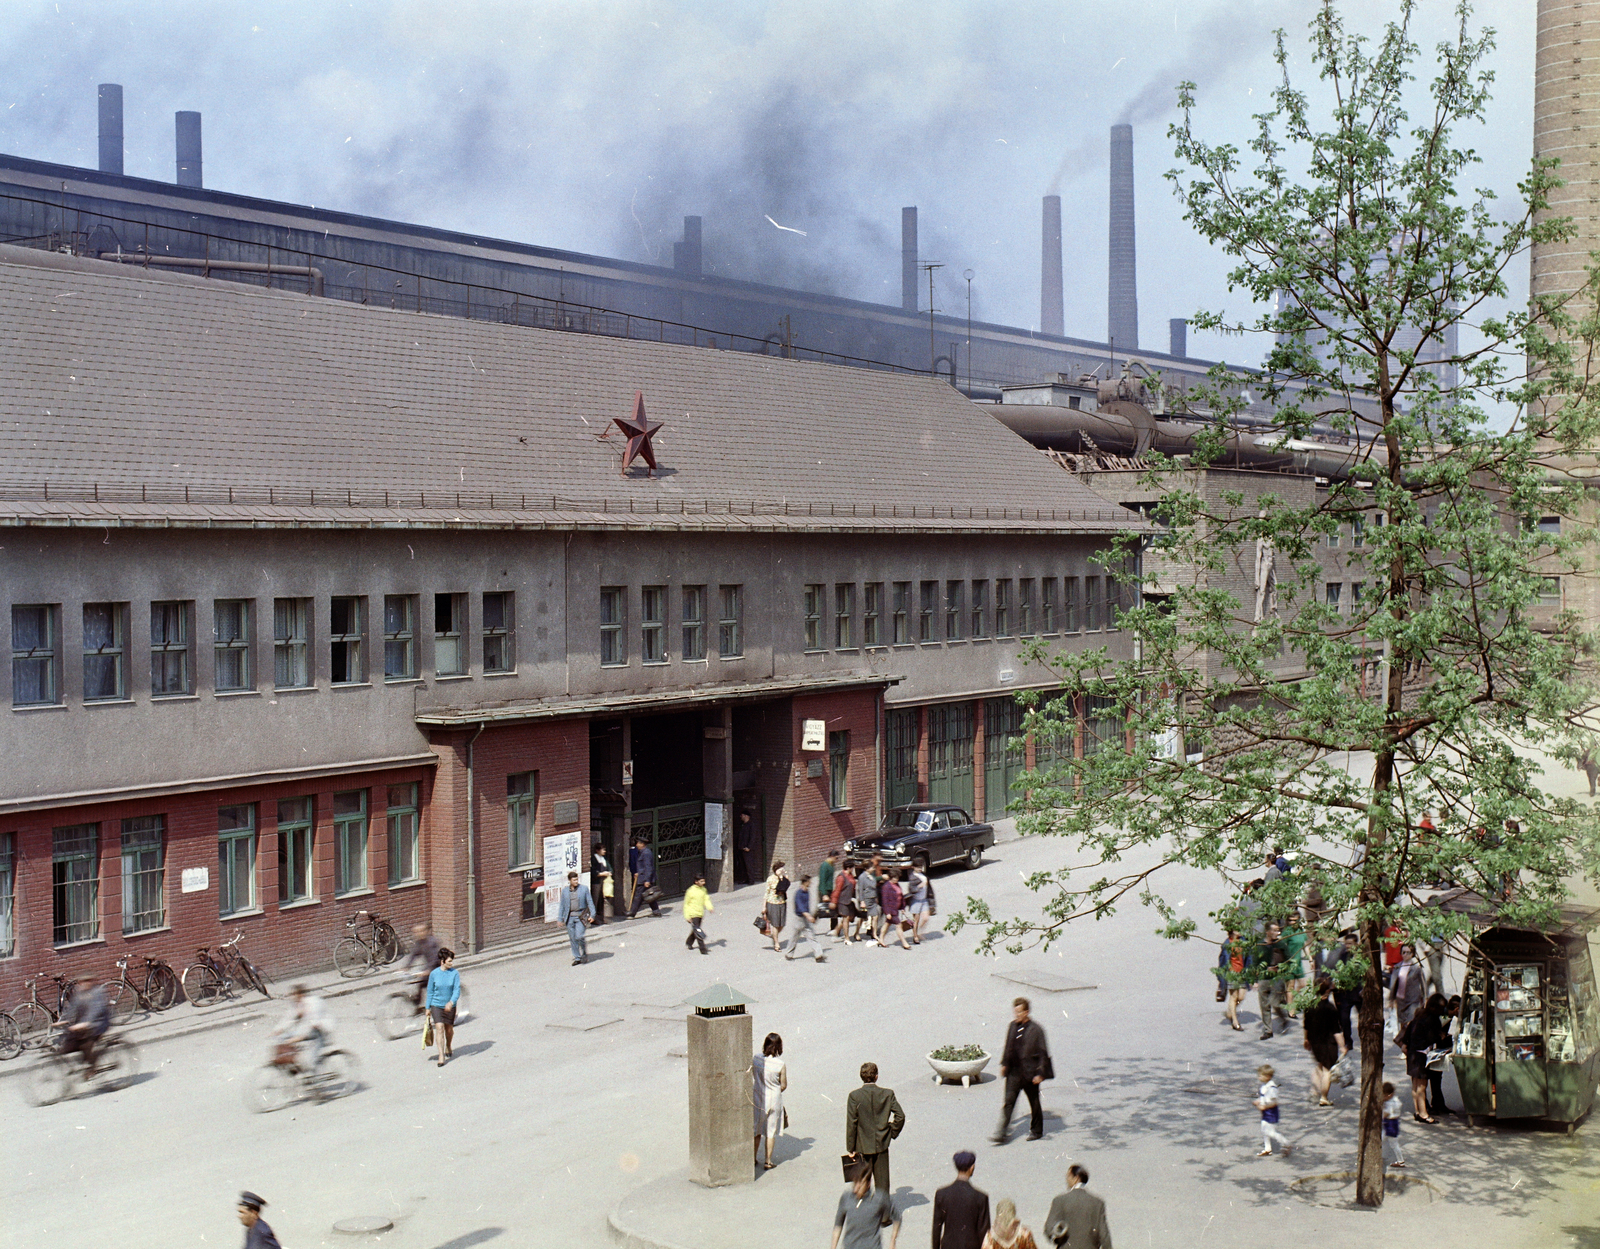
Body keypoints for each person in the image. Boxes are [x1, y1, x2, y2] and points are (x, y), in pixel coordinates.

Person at [993, 997, 1053, 1144]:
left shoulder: (1036, 1030)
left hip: (1030, 1074)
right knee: (1009, 1102)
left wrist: (1040, 1074)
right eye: (1015, 1012)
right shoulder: (1012, 1026)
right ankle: (1001, 1133)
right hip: (1013, 1073)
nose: (1017, 1015)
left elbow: (1043, 1053)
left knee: (1034, 1102)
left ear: (1026, 1012)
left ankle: (1037, 1131)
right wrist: (1005, 1064)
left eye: (1020, 1012)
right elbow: (1008, 1047)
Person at [845, 1061, 905, 1195]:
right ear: (876, 1076)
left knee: (862, 1185)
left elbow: (851, 1123)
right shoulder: (887, 1094)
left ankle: (865, 1213)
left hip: (862, 1147)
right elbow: (900, 1116)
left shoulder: (854, 1096)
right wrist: (891, 1131)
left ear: (861, 1077)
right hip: (881, 1145)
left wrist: (850, 1148)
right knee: (882, 1186)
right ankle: (883, 1215)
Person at [830, 1158, 900, 1249]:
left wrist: (893, 1242)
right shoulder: (846, 1197)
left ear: (868, 1184)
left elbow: (897, 1218)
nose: (856, 1188)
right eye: (855, 1183)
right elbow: (838, 1225)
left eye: (860, 1184)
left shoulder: (879, 1198)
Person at [1397, 992, 1445, 1123]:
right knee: (1422, 1086)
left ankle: (1417, 1111)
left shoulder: (1418, 1016)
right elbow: (1432, 1038)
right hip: (1422, 1055)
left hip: (1412, 1054)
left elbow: (1406, 1037)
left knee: (1415, 1085)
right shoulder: (1432, 1020)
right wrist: (1440, 1036)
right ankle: (1424, 1114)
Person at [1042, 1165, 1113, 1249]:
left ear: (1076, 1178)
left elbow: (1049, 1228)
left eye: (1068, 1176)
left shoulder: (1060, 1201)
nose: (1066, 1180)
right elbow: (1104, 1236)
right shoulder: (1097, 1203)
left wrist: (1057, 1238)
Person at [1302, 976, 1346, 1106]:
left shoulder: (1310, 1006)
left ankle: (1314, 1091)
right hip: (1328, 1043)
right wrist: (1342, 1046)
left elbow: (1306, 1025)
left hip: (1315, 1042)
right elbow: (1336, 1030)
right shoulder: (1330, 1008)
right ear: (1326, 991)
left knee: (1319, 1066)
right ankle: (1324, 1098)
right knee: (1327, 1070)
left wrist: (1306, 1039)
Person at [932, 1151, 990, 1249]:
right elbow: (984, 1233)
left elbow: (936, 1228)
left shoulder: (942, 1194)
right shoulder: (980, 1197)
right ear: (972, 1168)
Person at [56, 973, 110, 1073]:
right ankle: (85, 1063)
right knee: (69, 1043)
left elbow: (97, 1009)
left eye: (87, 981)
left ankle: (91, 1067)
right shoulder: (80, 994)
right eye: (82, 982)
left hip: (99, 1023)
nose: (84, 984)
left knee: (86, 1044)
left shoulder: (98, 992)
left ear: (92, 981)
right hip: (83, 1024)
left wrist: (86, 1022)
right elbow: (72, 1008)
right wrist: (63, 1019)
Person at [272, 984, 332, 1072]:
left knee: (311, 1061)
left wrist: (299, 1037)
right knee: (282, 1039)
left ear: (301, 994)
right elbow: (289, 1018)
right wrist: (278, 1030)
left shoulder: (314, 1003)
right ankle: (293, 1065)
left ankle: (313, 1079)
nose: (292, 997)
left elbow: (314, 1022)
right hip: (305, 1031)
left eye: (294, 994)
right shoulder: (298, 1004)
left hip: (319, 1031)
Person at [753, 1031, 787, 1170]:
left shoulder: (756, 1058)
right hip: (774, 1100)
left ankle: (753, 1158)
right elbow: (783, 1085)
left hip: (758, 1097)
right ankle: (768, 1161)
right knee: (771, 1131)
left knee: (756, 1130)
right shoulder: (780, 1064)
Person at [1253, 922, 1291, 1039]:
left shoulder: (1281, 944)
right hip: (1263, 978)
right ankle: (1268, 1031)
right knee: (1264, 1005)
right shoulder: (1260, 945)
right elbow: (1255, 963)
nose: (1277, 933)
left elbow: (1288, 959)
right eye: (1274, 930)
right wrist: (1255, 980)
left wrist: (1281, 969)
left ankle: (1283, 1018)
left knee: (1275, 1003)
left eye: (1278, 930)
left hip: (1277, 979)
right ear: (1267, 932)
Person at [424, 947, 461, 1066]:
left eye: (452, 961)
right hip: (437, 1005)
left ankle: (448, 1045)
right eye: (449, 961)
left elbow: (456, 990)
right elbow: (430, 991)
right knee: (439, 1028)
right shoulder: (434, 974)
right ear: (442, 961)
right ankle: (441, 1055)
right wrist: (428, 1008)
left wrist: (451, 1002)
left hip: (450, 1005)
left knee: (449, 1030)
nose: (451, 963)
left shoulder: (454, 973)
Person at [557, 869, 596, 965]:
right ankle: (577, 957)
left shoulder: (584, 889)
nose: (576, 882)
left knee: (579, 936)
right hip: (569, 917)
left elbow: (590, 902)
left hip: (580, 917)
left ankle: (584, 954)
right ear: (569, 880)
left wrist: (592, 915)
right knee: (572, 938)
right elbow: (562, 905)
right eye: (574, 880)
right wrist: (560, 919)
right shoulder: (565, 891)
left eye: (577, 879)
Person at [785, 874, 826, 962]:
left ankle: (818, 955)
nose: (810, 883)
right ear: (805, 882)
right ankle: (789, 953)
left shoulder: (807, 892)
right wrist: (809, 916)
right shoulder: (799, 893)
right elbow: (800, 907)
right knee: (794, 937)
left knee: (811, 936)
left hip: (806, 918)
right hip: (799, 918)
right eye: (809, 882)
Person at [1253, 1064, 1290, 1157]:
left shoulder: (1272, 1088)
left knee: (1270, 1132)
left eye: (1260, 1075)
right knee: (1264, 1129)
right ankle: (1267, 1148)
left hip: (1271, 1113)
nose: (1259, 1077)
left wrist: (1264, 1107)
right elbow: (1264, 1097)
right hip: (1266, 1112)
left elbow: (1274, 1102)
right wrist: (1258, 1101)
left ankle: (1286, 1143)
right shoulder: (1264, 1085)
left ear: (1268, 1076)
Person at [1215, 930, 1248, 1031]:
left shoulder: (1243, 941)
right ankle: (1235, 1021)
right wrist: (1221, 977)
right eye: (1239, 929)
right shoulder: (1227, 944)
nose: (1241, 930)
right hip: (1232, 973)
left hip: (1242, 972)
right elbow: (1222, 961)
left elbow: (1249, 957)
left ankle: (1230, 1011)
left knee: (1241, 997)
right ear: (1233, 931)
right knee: (1234, 997)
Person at [402, 921, 441, 1008]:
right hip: (429, 967)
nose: (419, 934)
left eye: (421, 931)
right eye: (416, 932)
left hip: (438, 967)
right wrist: (406, 967)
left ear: (427, 931)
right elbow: (414, 954)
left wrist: (428, 970)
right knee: (420, 984)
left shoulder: (432, 942)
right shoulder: (420, 942)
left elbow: (435, 958)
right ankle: (418, 1007)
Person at [1388, 943, 1425, 1032]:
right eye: (1403, 952)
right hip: (1401, 1000)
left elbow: (1423, 984)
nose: (1405, 955)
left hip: (1413, 1000)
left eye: (1408, 952)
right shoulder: (1397, 966)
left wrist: (1425, 998)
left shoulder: (1417, 968)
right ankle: (1404, 1044)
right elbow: (1393, 984)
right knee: (1403, 1025)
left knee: (1411, 1023)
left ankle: (1410, 1043)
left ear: (1412, 954)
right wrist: (1391, 999)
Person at [629, 835, 663, 918]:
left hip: (644, 879)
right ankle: (656, 911)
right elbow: (643, 867)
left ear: (642, 844)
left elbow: (648, 867)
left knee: (638, 896)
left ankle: (632, 913)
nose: (636, 845)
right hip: (643, 877)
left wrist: (647, 880)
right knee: (649, 895)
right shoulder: (643, 852)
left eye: (638, 843)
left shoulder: (646, 853)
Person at [1281, 913, 1309, 1012]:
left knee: (1303, 985)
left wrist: (1309, 958)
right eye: (1290, 920)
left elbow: (1305, 944)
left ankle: (1291, 1000)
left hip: (1298, 963)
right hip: (1289, 963)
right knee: (1291, 986)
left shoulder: (1301, 931)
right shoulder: (1287, 932)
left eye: (1295, 920)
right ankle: (1291, 1010)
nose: (1292, 922)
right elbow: (1281, 947)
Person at [878, 870, 910, 949]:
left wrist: (902, 907)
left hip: (896, 908)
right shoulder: (886, 887)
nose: (897, 879)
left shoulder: (896, 884)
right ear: (890, 878)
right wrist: (887, 912)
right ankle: (904, 942)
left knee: (887, 924)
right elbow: (884, 901)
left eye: (897, 878)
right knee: (899, 925)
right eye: (895, 878)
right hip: (891, 910)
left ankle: (881, 939)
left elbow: (901, 896)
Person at [683, 870, 713, 954]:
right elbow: (686, 904)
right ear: (696, 882)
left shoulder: (703, 890)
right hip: (693, 913)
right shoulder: (690, 891)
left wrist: (709, 907)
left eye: (704, 881)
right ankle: (702, 949)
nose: (703, 883)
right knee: (698, 931)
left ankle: (689, 942)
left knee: (696, 929)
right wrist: (687, 916)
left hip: (700, 913)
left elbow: (706, 899)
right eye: (701, 881)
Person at [763, 860, 790, 952]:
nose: (782, 870)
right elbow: (766, 893)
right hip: (772, 902)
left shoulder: (784, 878)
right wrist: (764, 906)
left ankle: (774, 936)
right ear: (776, 870)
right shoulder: (771, 879)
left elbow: (784, 887)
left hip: (782, 902)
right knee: (775, 924)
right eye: (780, 869)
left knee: (781, 924)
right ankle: (776, 943)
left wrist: (782, 878)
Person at [1381, 1080, 1406, 1167]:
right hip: (1393, 1123)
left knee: (1392, 1143)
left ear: (1389, 1095)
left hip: (1390, 1124)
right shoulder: (1395, 1100)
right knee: (1391, 1143)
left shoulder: (1390, 1103)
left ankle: (1400, 1160)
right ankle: (1400, 1160)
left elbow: (1386, 1114)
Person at [833, 858, 859, 942]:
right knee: (846, 918)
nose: (853, 869)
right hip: (842, 901)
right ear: (848, 868)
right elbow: (837, 890)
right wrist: (834, 902)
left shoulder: (850, 875)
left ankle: (836, 931)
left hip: (849, 900)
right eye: (852, 867)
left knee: (851, 917)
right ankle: (847, 938)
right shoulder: (841, 877)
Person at [856, 860, 881, 944]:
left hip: (873, 899)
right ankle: (856, 932)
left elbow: (874, 887)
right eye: (872, 867)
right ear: (866, 868)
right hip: (866, 899)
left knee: (875, 916)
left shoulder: (871, 876)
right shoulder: (862, 877)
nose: (873, 869)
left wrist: (876, 897)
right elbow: (860, 890)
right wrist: (862, 901)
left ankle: (874, 934)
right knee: (863, 918)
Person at [590, 841, 613, 925]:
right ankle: (593, 917)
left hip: (605, 881)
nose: (604, 851)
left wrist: (609, 872)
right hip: (597, 882)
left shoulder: (604, 859)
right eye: (603, 849)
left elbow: (610, 868)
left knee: (605, 899)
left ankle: (605, 917)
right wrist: (601, 874)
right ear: (597, 850)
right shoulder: (593, 859)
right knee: (595, 899)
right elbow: (593, 871)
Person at [906, 865, 930, 944]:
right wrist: (920, 886)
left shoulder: (923, 874)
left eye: (921, 867)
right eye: (918, 867)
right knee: (916, 920)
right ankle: (915, 936)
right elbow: (911, 889)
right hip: (916, 900)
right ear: (914, 867)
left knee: (926, 918)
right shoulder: (912, 877)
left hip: (924, 899)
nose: (920, 869)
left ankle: (919, 932)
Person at [818, 850, 839, 934]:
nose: (837, 860)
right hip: (825, 890)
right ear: (832, 856)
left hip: (829, 889)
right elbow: (822, 880)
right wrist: (824, 894)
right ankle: (808, 923)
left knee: (832, 909)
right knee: (821, 909)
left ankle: (834, 928)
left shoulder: (831, 865)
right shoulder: (825, 865)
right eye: (836, 858)